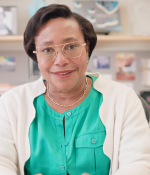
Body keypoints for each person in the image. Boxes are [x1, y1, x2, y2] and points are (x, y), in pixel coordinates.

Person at [0, 4, 150, 175]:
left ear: (86, 49)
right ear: (36, 56)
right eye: (48, 50)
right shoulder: (10, 103)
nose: (60, 60)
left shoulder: (124, 100)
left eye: (71, 47)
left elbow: (138, 164)